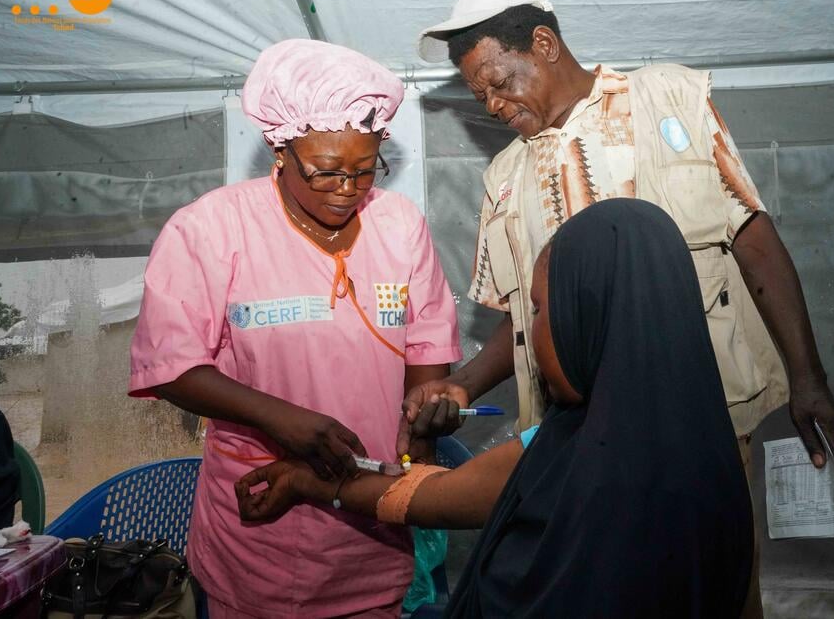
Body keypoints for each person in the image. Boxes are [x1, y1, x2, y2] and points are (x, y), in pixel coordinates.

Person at [403, 0, 834, 483]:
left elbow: (752, 237)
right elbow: (525, 320)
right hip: (577, 446)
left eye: (501, 84)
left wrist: (809, 380)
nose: (493, 106)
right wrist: (460, 385)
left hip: (698, 423)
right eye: (480, 96)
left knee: (710, 562)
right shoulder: (504, 175)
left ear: (544, 44)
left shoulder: (667, 98)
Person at [237, 199, 756, 618]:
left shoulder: (594, 465)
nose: (529, 332)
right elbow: (431, 497)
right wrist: (310, 481)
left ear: (589, 317)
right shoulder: (708, 456)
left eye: (537, 308)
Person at [127, 39, 462, 618]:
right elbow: (171, 365)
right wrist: (282, 420)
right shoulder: (210, 229)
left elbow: (427, 339)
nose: (347, 189)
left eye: (364, 170)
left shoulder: (398, 223)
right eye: (327, 172)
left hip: (371, 510)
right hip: (262, 514)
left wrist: (426, 410)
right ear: (280, 147)